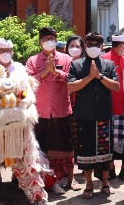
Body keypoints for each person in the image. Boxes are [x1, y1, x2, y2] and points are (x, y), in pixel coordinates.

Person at [67, 32, 120, 199]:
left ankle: (105, 182)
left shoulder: (108, 64)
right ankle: (89, 184)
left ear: (102, 46)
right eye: (90, 44)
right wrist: (90, 77)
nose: (93, 47)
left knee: (105, 150)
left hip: (103, 113)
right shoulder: (76, 65)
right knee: (85, 151)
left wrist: (100, 76)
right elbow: (70, 87)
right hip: (84, 114)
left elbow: (116, 87)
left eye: (97, 45)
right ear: (85, 47)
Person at [26, 27, 78, 194]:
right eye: (46, 38)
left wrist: (56, 73)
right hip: (40, 111)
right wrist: (44, 73)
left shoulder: (66, 59)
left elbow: (72, 79)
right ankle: (47, 181)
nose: (49, 41)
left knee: (66, 146)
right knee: (43, 148)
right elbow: (28, 82)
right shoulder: (33, 61)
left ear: (56, 41)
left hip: (62, 109)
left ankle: (71, 179)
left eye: (52, 38)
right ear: (40, 42)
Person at [0, 38, 26, 186]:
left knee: (15, 144)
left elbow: (25, 88)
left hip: (15, 114)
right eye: (2, 51)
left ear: (12, 52)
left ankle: (16, 175)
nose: (5, 54)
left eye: (8, 51)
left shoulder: (19, 68)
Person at [101, 33, 124, 181]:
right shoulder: (105, 59)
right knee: (110, 139)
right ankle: (111, 167)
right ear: (121, 45)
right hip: (110, 106)